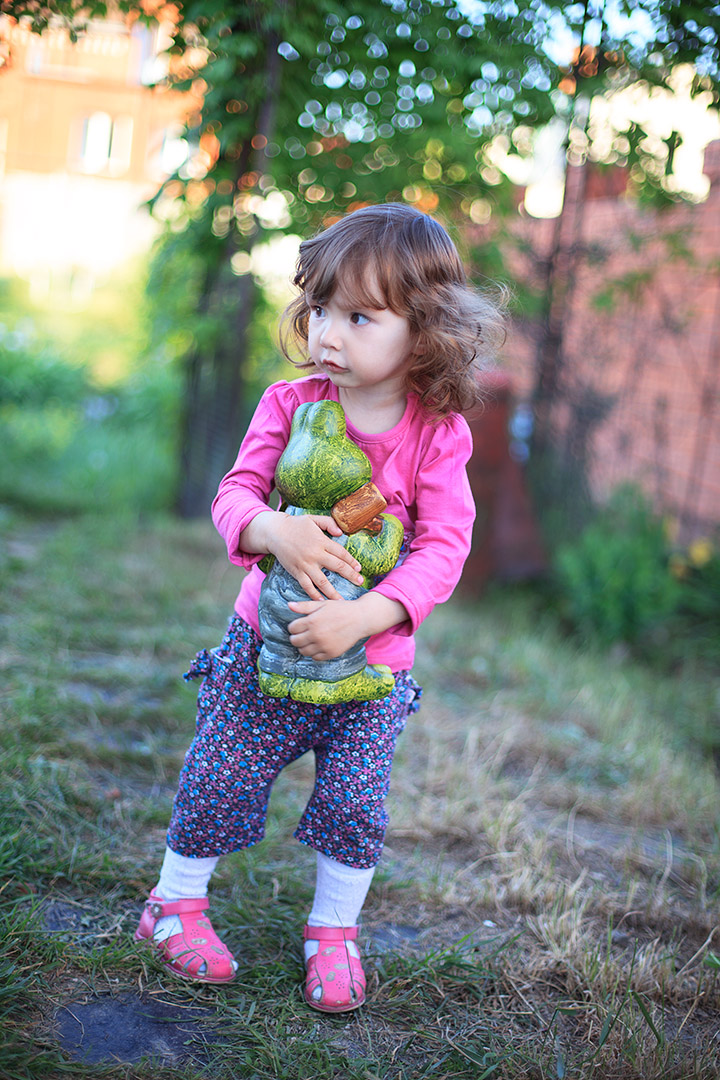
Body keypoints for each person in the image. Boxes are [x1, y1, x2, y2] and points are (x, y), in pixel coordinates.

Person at [135, 203, 505, 1012]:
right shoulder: (289, 404)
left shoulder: (436, 434)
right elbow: (235, 494)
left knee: (354, 803)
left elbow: (445, 546)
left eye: (360, 317)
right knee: (221, 776)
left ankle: (333, 931)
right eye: (321, 310)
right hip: (262, 654)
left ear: (426, 330)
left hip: (371, 672)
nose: (327, 335)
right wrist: (273, 528)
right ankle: (173, 904)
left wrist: (368, 618)